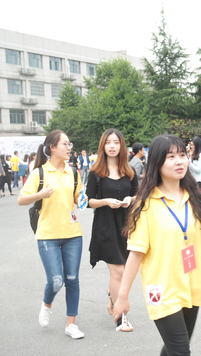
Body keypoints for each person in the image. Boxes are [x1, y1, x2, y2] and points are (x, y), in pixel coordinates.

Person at [113, 134, 201, 356]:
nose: (179, 161)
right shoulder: (145, 204)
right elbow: (136, 253)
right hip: (160, 289)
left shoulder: (196, 196)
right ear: (158, 163)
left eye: (182, 155)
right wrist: (122, 296)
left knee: (178, 344)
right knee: (182, 354)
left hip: (191, 284)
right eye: (171, 156)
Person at [18, 130, 85, 339]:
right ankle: (47, 304)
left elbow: (79, 199)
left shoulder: (73, 172)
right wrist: (40, 194)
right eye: (65, 144)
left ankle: (71, 324)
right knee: (56, 281)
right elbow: (21, 199)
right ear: (52, 147)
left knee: (72, 279)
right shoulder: (39, 173)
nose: (69, 147)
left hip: (73, 234)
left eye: (69, 144)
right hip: (48, 235)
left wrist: (91, 199)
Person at [87, 129, 139, 332]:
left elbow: (138, 195)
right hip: (105, 226)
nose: (112, 146)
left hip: (126, 226)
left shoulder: (129, 171)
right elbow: (89, 201)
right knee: (119, 271)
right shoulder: (95, 172)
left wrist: (129, 200)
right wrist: (106, 201)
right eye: (108, 142)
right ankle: (121, 318)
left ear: (121, 146)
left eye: (116, 142)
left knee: (124, 271)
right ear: (103, 145)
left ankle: (112, 296)